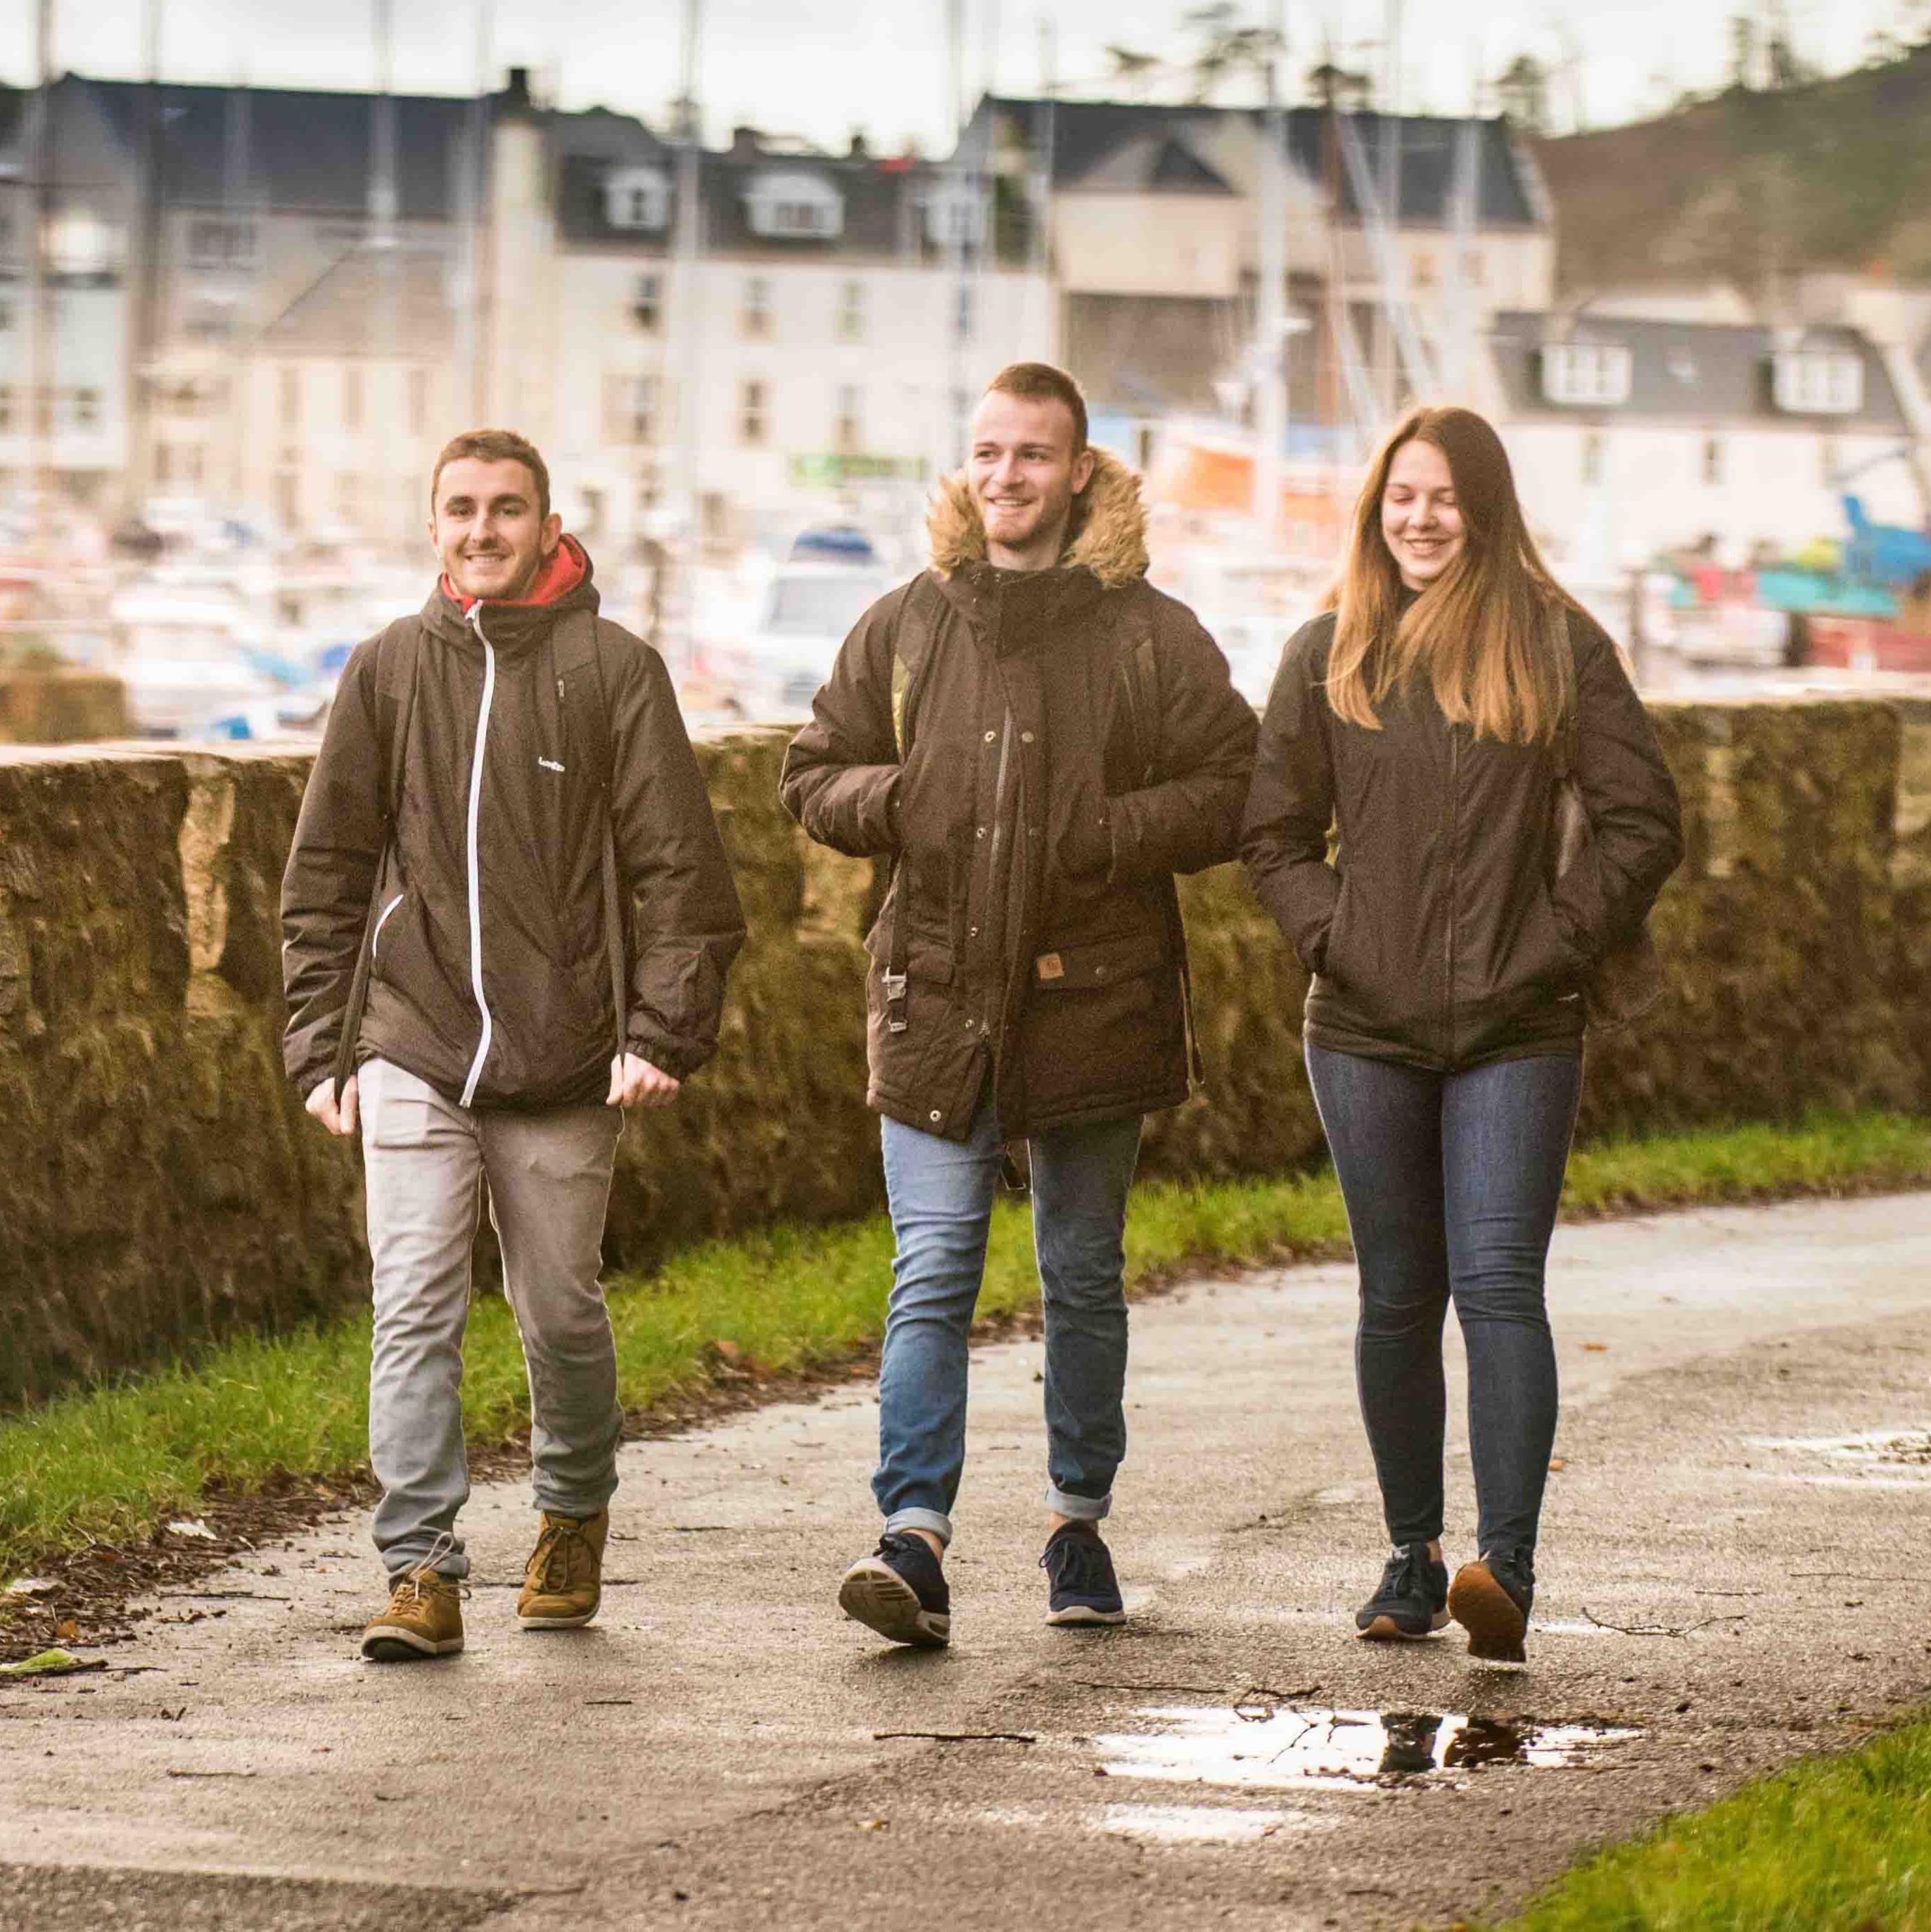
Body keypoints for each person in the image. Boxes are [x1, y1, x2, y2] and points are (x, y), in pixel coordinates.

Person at [781, 362, 1257, 1647]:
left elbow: (1237, 781)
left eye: (1033, 456)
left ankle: (1075, 1521)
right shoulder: (905, 623)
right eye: (989, 453)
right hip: (933, 991)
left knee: (1081, 1275)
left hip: (1092, 998)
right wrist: (896, 804)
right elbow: (812, 771)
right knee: (932, 1267)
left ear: (1081, 472)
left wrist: (1108, 833)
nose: (1007, 477)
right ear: (967, 467)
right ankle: (912, 1540)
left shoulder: (1149, 632)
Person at [282, 428, 745, 1662]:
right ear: (431, 527)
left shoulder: (613, 670)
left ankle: (570, 1513)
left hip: (564, 1057)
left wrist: (660, 1031)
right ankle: (420, 1566)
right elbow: (324, 873)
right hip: (410, 1041)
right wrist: (319, 1049)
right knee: (414, 1304)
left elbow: (682, 878)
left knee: (558, 1310)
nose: (481, 530)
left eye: (505, 509)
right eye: (459, 510)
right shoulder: (386, 671)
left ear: (547, 526)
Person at [1241, 405, 1682, 1663]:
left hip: (1518, 1025)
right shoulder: (1326, 654)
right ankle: (1409, 1553)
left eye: (1442, 497)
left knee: (1496, 1286)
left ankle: (1506, 1566)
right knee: (1396, 1294)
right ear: (1375, 512)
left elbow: (1642, 821)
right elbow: (1270, 836)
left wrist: (1549, 944)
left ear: (1483, 511)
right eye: (1400, 496)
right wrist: (1335, 936)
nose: (1419, 517)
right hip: (1362, 1029)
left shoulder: (1554, 646)